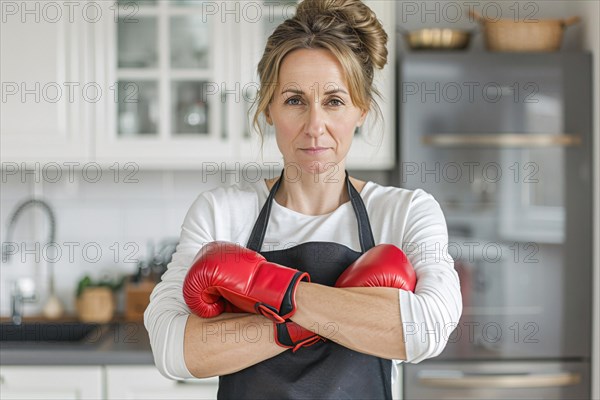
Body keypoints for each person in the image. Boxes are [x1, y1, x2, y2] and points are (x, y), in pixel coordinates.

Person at [144, 0, 462, 398]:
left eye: (334, 101)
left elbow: (428, 330)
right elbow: (174, 348)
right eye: (294, 100)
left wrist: (264, 286)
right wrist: (340, 317)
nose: (315, 127)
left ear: (361, 110)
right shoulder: (222, 212)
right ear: (269, 109)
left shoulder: (404, 212)